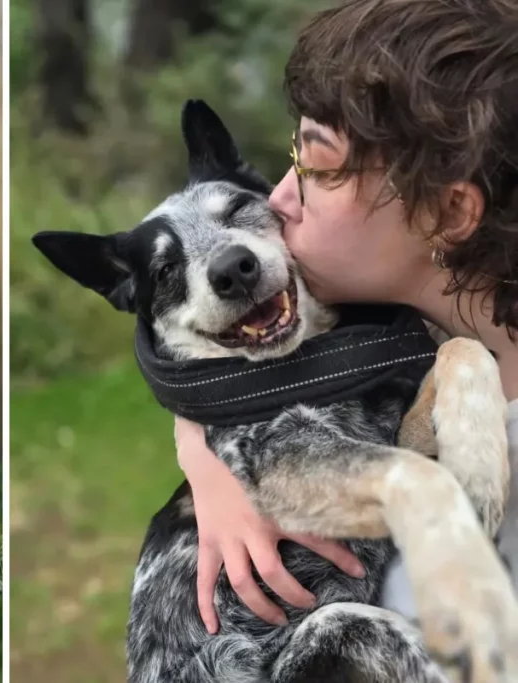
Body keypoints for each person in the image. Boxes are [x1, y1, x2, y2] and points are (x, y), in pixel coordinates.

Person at [181, 0, 518, 635]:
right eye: (293, 153)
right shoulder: (398, 329)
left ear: (447, 213)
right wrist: (208, 459)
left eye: (320, 166)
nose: (279, 195)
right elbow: (184, 358)